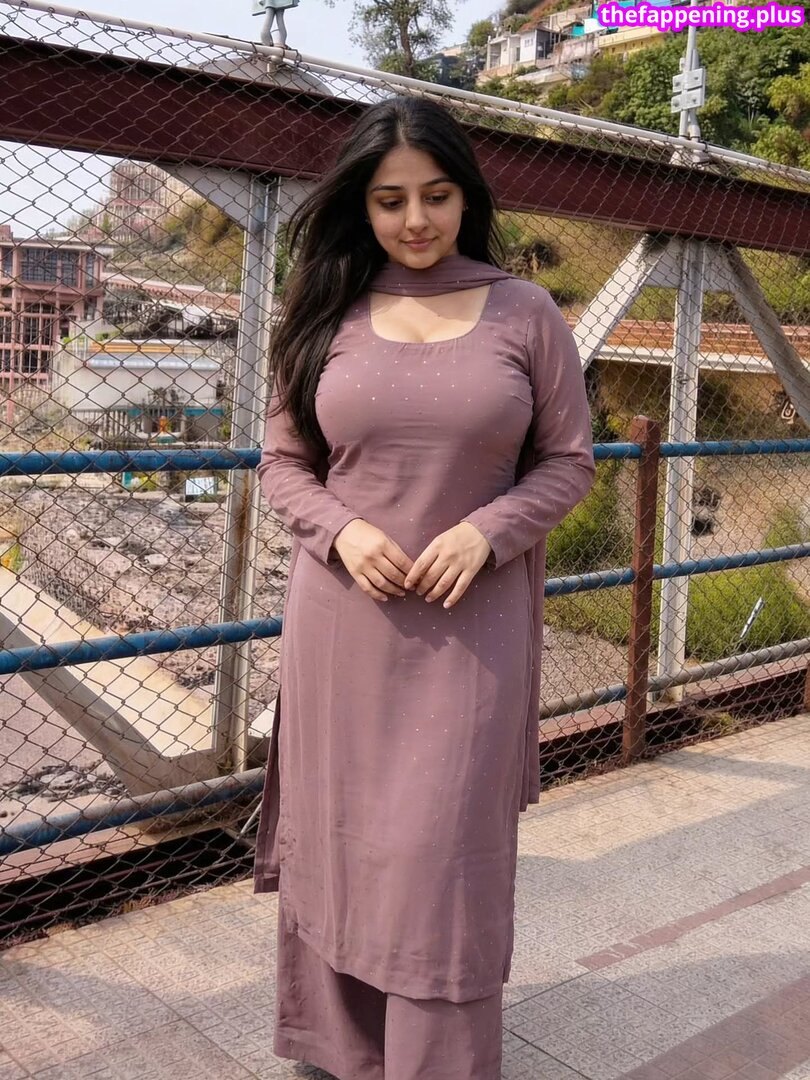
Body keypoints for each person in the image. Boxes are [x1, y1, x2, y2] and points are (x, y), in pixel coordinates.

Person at [252, 94, 596, 1079]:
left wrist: (490, 531)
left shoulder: (525, 313)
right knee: (340, 836)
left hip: (470, 635)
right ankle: (341, 1050)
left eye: (436, 196)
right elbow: (282, 464)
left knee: (442, 857)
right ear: (361, 205)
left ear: (467, 198)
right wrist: (343, 530)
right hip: (342, 625)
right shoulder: (328, 310)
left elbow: (569, 461)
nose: (414, 220)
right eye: (390, 199)